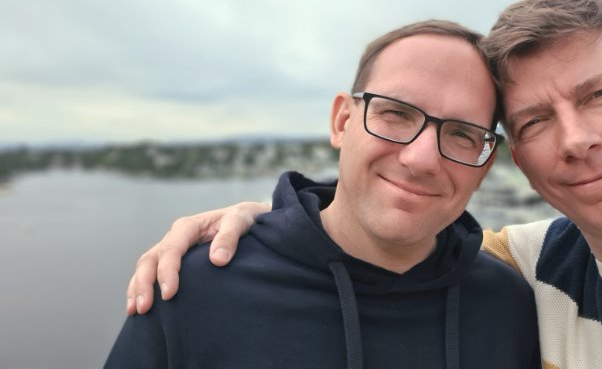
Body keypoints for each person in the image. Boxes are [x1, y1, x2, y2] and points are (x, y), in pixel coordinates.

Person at [128, 0, 602, 368]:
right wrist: (269, 229)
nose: (576, 140)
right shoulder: (533, 266)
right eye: (535, 121)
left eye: (599, 94)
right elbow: (374, 237)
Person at [106, 20, 540, 368]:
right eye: (395, 113)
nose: (421, 159)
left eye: (462, 134)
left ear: (484, 164)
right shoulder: (193, 289)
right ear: (341, 122)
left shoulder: (508, 305)